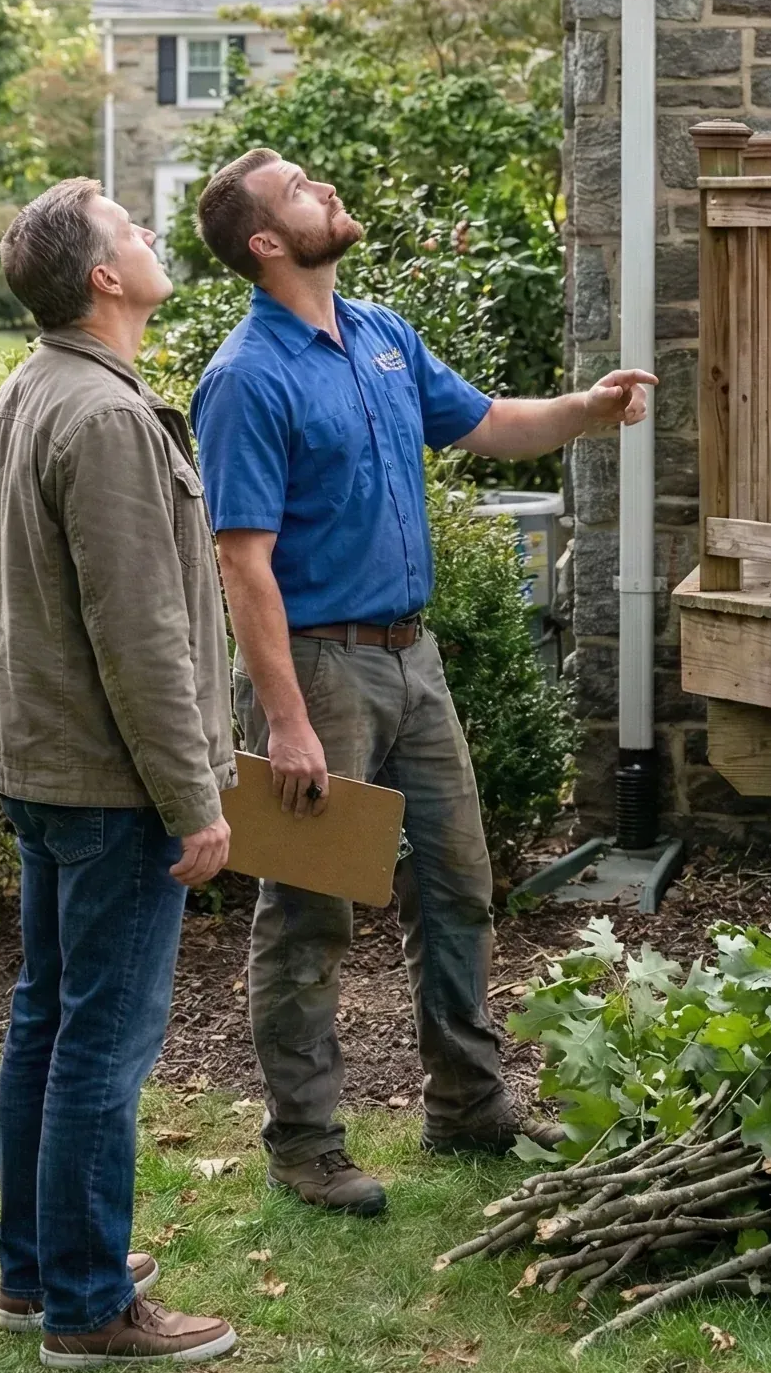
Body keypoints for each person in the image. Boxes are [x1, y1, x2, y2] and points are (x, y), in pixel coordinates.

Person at [189, 147, 655, 1216]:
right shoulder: (247, 377)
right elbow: (242, 563)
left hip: (413, 655)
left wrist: (587, 408)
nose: (324, 189)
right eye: (299, 190)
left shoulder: (381, 335)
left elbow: (485, 422)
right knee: (308, 912)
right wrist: (287, 722)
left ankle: (469, 1104)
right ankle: (306, 1144)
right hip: (319, 668)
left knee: (456, 884)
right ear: (266, 241)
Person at [0, 178, 239, 1367]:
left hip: (44, 765)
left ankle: (36, 1268)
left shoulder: (30, 390)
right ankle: (85, 1304)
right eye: (131, 228)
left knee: (48, 1018)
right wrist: (194, 798)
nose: (150, 235)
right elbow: (141, 638)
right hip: (108, 783)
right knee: (101, 1040)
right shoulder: (106, 417)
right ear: (102, 277)